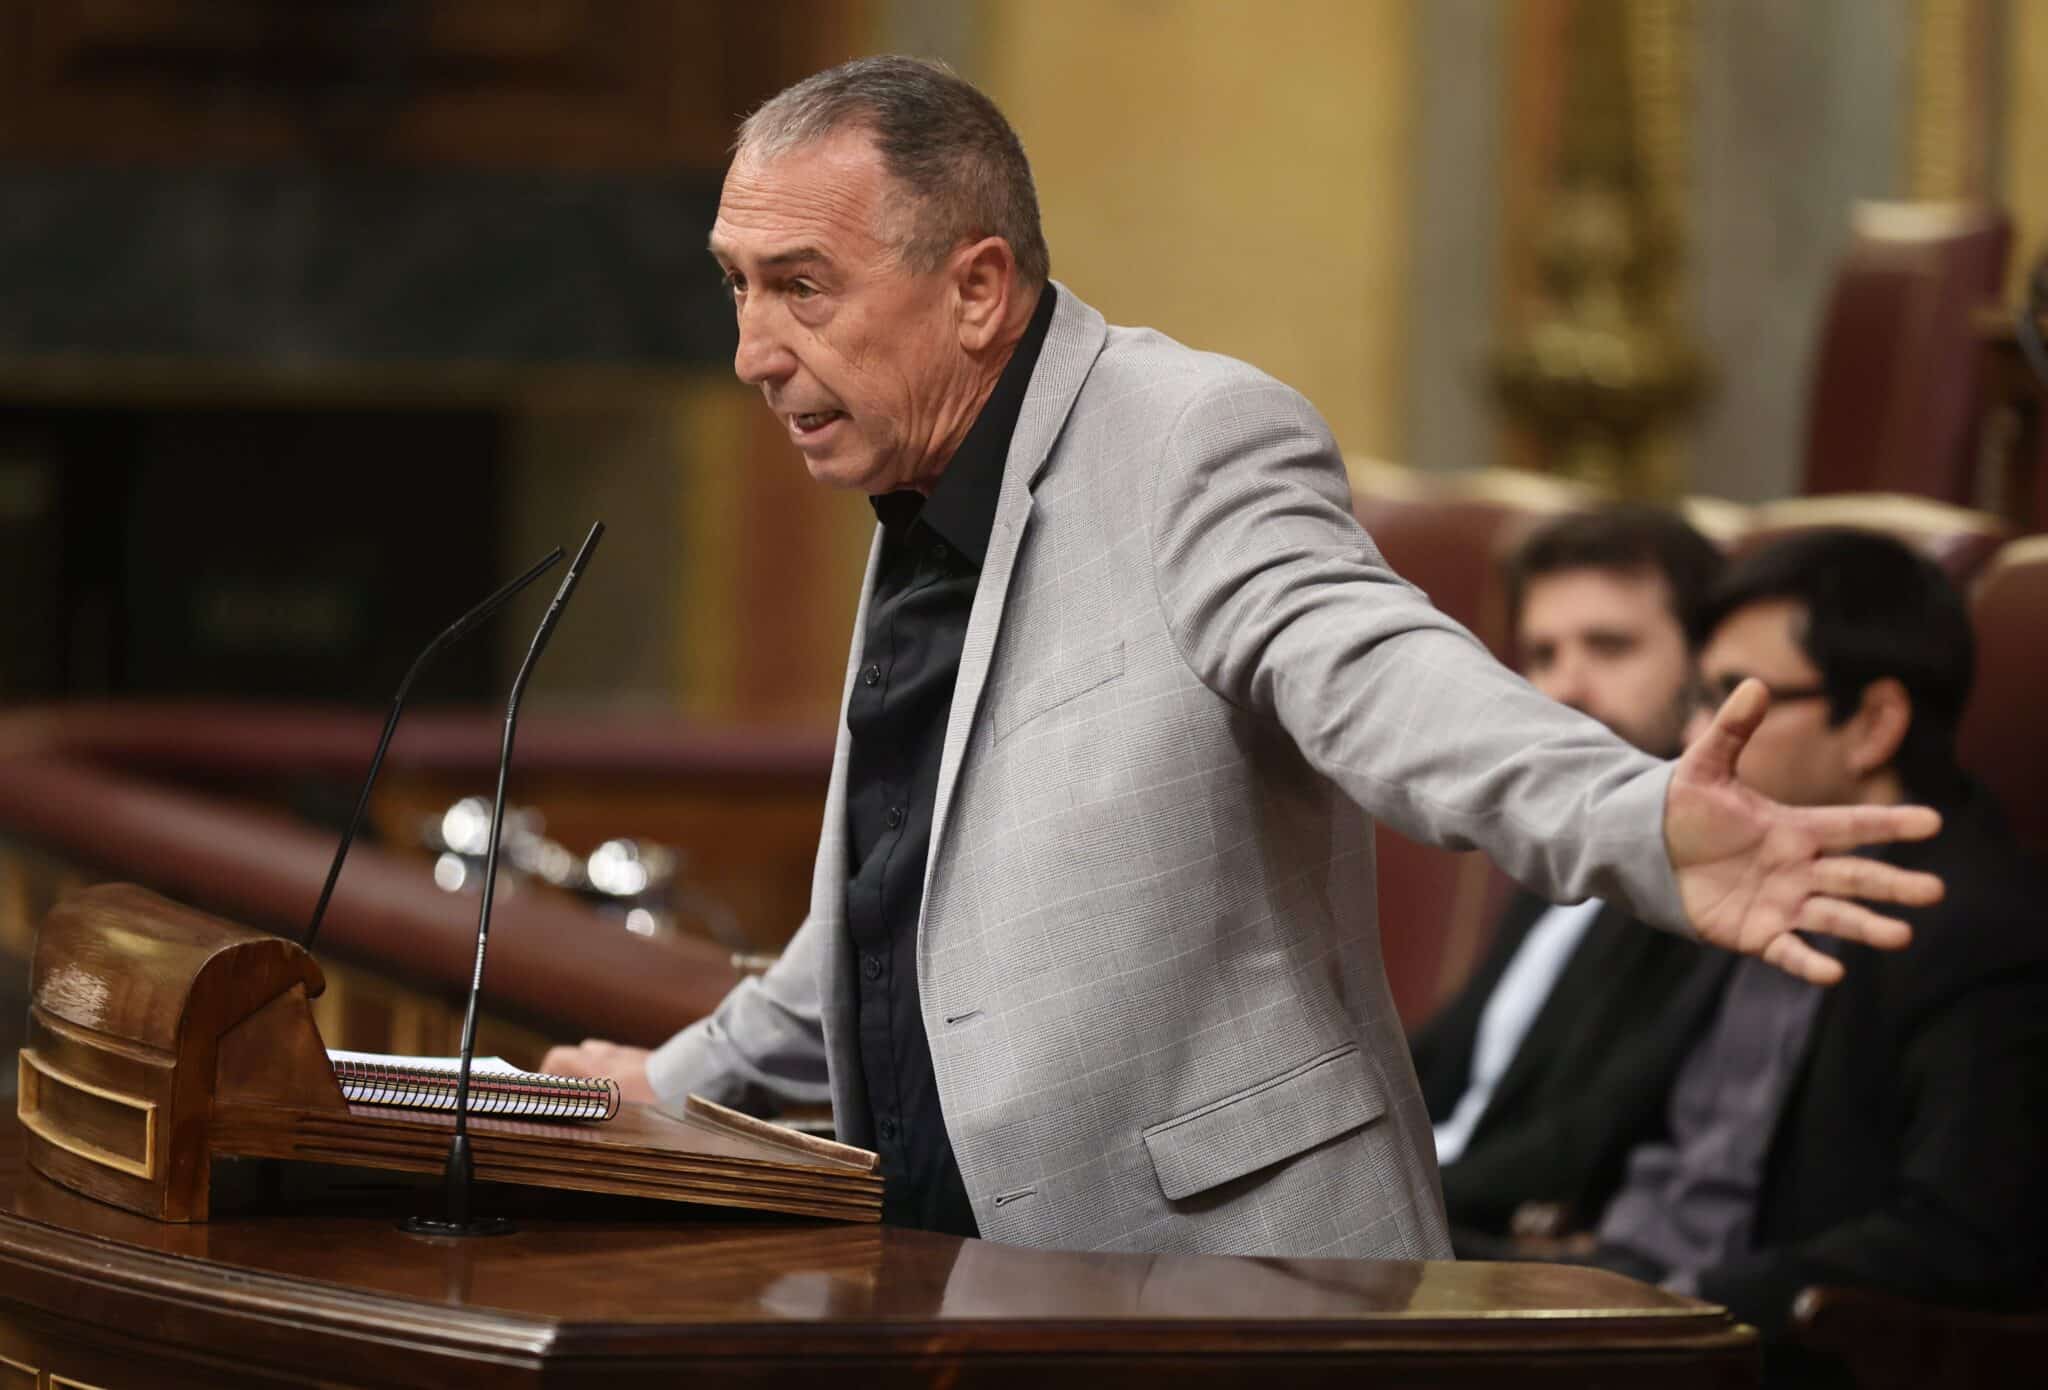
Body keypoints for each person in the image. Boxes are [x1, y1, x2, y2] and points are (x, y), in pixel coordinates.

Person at [546, 56, 1940, 1258]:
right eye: (737, 287)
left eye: (801, 288)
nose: (751, 352)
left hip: (1234, 1282)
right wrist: (668, 1088)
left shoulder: (1192, 437)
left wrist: (1630, 815)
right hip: (957, 1284)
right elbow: (895, 928)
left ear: (976, 289)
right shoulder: (921, 482)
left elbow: (1382, 674)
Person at [1577, 530, 2048, 1372]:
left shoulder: (1982, 930)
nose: (1696, 741)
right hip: (1604, 1289)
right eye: (1699, 698)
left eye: (1735, 700)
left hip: (1735, 1344)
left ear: (1873, 724)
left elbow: (1958, 1239)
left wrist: (1675, 1309)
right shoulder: (1735, 867)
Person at [1409, 508, 1733, 1244]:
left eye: (1610, 647)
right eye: (1544, 655)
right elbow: (1442, 1065)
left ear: (1708, 661)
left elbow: (1583, 1141)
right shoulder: (1559, 837)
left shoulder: (1713, 874)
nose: (1566, 690)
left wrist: (1373, 1199)